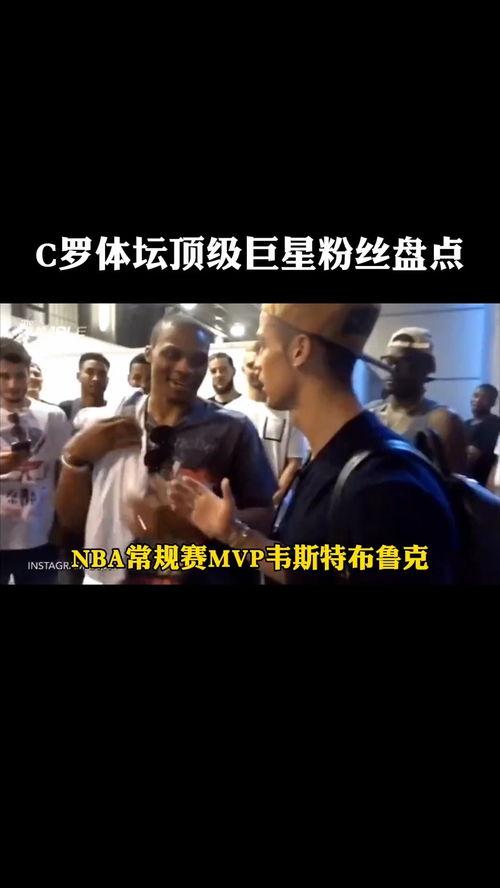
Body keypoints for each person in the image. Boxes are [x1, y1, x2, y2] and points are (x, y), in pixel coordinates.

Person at [165, 304, 460, 586]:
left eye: (264, 345)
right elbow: (314, 569)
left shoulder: (385, 487)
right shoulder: (332, 458)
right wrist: (233, 533)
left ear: (299, 351)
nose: (257, 362)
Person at [55, 316, 276, 586]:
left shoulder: (233, 429)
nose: (185, 368)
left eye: (197, 360)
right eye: (172, 354)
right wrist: (74, 457)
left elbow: (265, 515)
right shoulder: (109, 424)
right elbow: (72, 520)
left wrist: (209, 523)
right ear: (149, 353)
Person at [0, 338, 71, 585]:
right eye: (4, 376)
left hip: (40, 535)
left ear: (29, 373)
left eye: (20, 375)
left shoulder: (53, 416)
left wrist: (60, 526)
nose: (13, 385)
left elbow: (62, 474)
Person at [367, 327, 467, 473]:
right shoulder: (370, 414)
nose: (392, 368)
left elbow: (453, 483)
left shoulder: (442, 421)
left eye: (404, 362)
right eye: (389, 361)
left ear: (426, 368)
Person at [230, 343, 308, 506]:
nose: (256, 370)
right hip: (238, 504)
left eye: (259, 365)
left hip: (275, 506)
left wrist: (276, 498)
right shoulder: (231, 411)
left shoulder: (288, 411)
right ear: (243, 369)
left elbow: (294, 461)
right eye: (250, 366)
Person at [59, 353, 110, 425]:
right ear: (78, 376)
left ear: (107, 380)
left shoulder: (114, 412)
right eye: (90, 372)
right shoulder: (65, 410)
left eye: (101, 374)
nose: (95, 378)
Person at [465, 384, 500, 486]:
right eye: (475, 396)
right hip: (463, 481)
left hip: (479, 484)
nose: (477, 400)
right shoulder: (465, 423)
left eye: (484, 398)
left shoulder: (494, 424)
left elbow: (470, 458)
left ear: (492, 402)